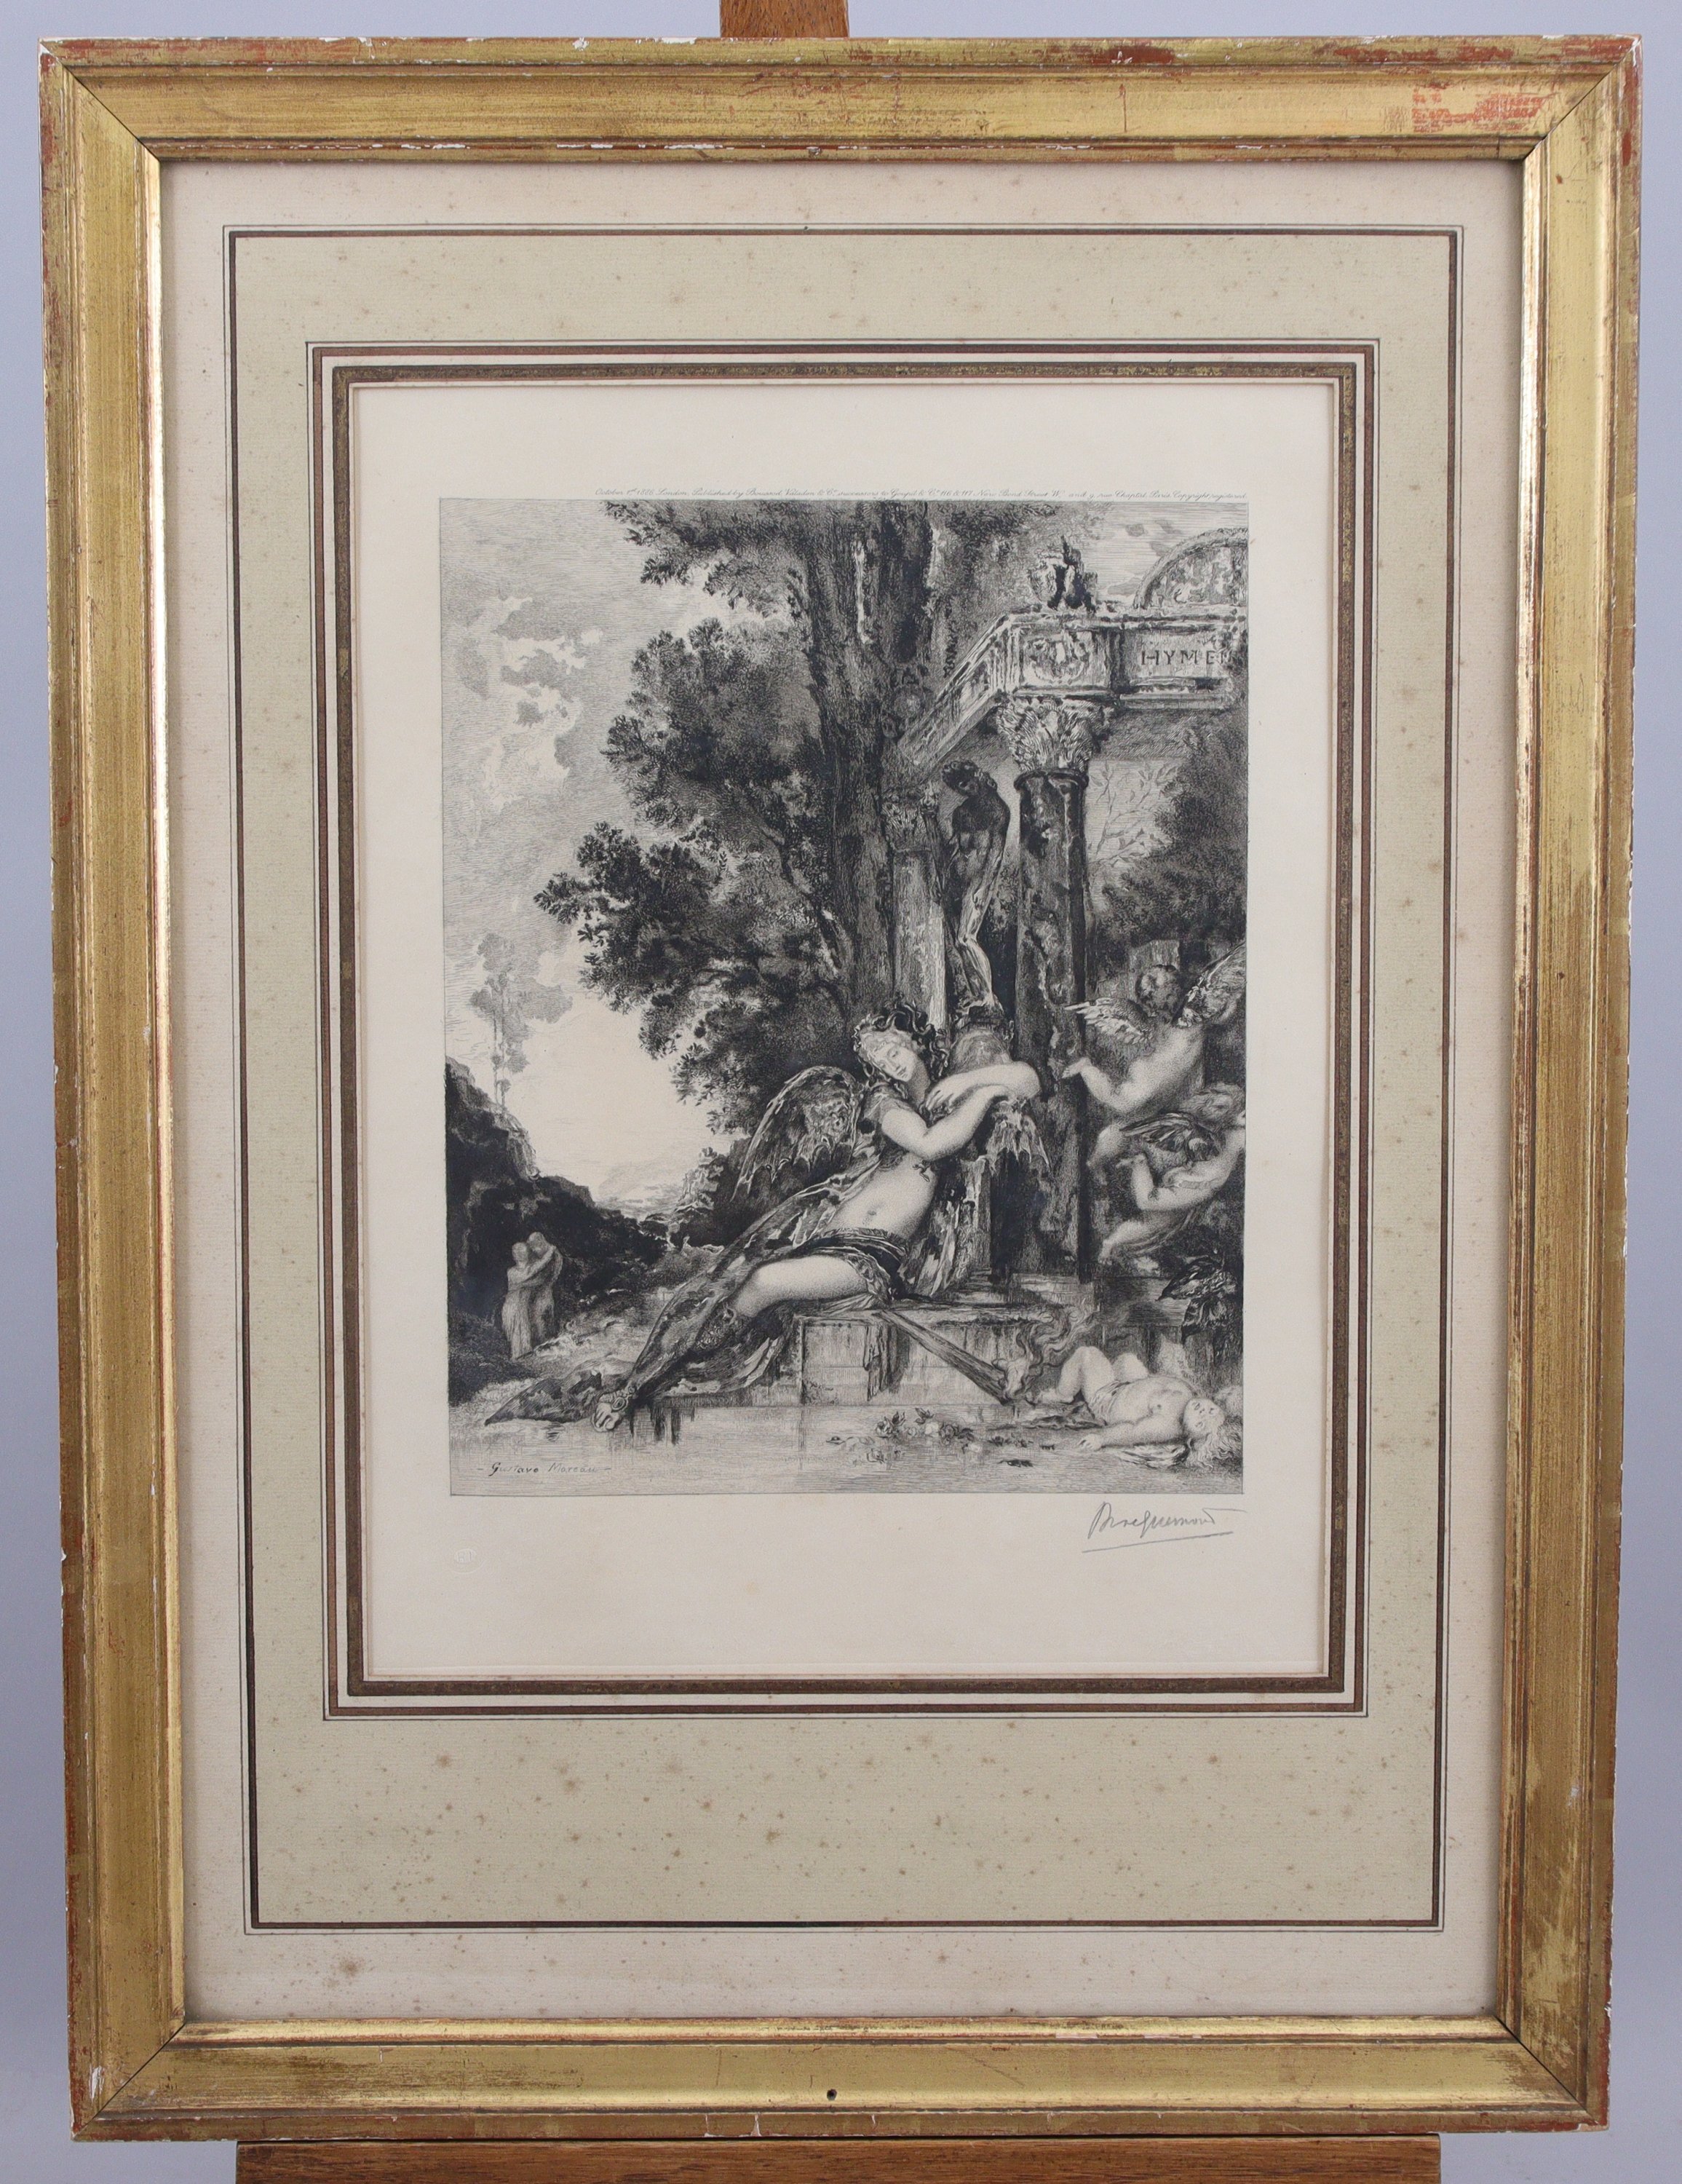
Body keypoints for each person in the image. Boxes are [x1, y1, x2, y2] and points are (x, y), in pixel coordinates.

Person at [592, 1008, 1040, 1431]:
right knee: (721, 1288)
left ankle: (650, 1384)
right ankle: (649, 1381)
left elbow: (1030, 1079)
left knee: (763, 1282)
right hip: (830, 1237)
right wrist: (984, 1092)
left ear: (914, 1039)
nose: (888, 1060)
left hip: (869, 1256)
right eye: (877, 1057)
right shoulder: (882, 1101)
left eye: (891, 1046)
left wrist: (976, 1082)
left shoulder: (950, 1095)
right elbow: (928, 1143)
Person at [1028, 1342, 1241, 1468]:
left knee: (1086, 1354)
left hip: (1107, 1398)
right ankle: (1114, 1374)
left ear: (1192, 1439)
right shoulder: (1191, 1395)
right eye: (1211, 1410)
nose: (1202, 1412)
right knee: (1128, 1360)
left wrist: (1101, 1439)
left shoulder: (1167, 1425)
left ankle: (1063, 1394)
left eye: (1201, 1423)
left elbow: (1133, 1431)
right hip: (1128, 1386)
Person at [1098, 1095, 1245, 1267]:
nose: (1213, 1109)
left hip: (1187, 1178)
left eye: (1220, 1107)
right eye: (1213, 1105)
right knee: (1147, 1202)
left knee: (1155, 1223)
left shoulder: (1224, 1130)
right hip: (1196, 1186)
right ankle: (1139, 1162)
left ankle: (1112, 1242)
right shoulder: (1236, 1134)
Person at [501, 1231, 560, 1361]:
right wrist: (551, 1251)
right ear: (515, 1255)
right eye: (518, 1252)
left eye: (523, 1251)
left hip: (522, 1309)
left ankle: (522, 1362)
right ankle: (517, 1363)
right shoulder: (513, 1272)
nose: (520, 1254)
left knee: (525, 1338)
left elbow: (539, 1276)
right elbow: (535, 1270)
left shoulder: (529, 1267)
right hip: (513, 1309)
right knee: (517, 1339)